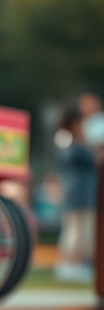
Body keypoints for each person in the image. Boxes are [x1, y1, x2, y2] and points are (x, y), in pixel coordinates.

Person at [54, 101, 97, 283]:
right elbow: (89, 159)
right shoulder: (68, 141)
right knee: (75, 232)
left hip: (85, 193)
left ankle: (79, 264)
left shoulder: (76, 142)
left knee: (83, 231)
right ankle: (71, 264)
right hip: (77, 193)